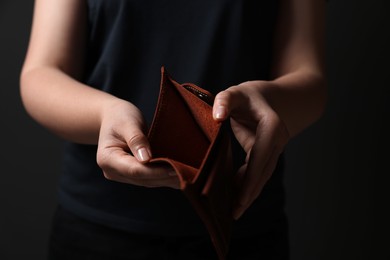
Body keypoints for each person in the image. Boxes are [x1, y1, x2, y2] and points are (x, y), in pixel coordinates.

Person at [19, 0, 327, 259]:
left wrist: (267, 100)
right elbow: (42, 72)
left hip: (239, 224)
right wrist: (104, 113)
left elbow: (309, 78)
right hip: (97, 229)